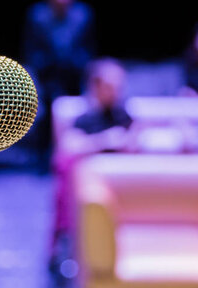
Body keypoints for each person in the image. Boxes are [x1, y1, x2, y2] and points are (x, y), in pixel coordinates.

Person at [49, 59, 134, 285]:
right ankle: (65, 250)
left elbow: (136, 140)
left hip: (122, 184)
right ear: (97, 87)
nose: (115, 91)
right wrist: (103, 141)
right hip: (89, 188)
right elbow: (68, 147)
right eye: (110, 86)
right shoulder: (86, 116)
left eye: (119, 86)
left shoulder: (122, 113)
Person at [22, 0, 96, 172]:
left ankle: (72, 158)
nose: (63, 0)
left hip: (74, 76)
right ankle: (44, 161)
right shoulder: (37, 15)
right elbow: (31, 47)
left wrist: (79, 65)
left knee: (74, 117)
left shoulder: (83, 15)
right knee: (44, 120)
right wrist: (44, 66)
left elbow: (89, 47)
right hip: (47, 77)